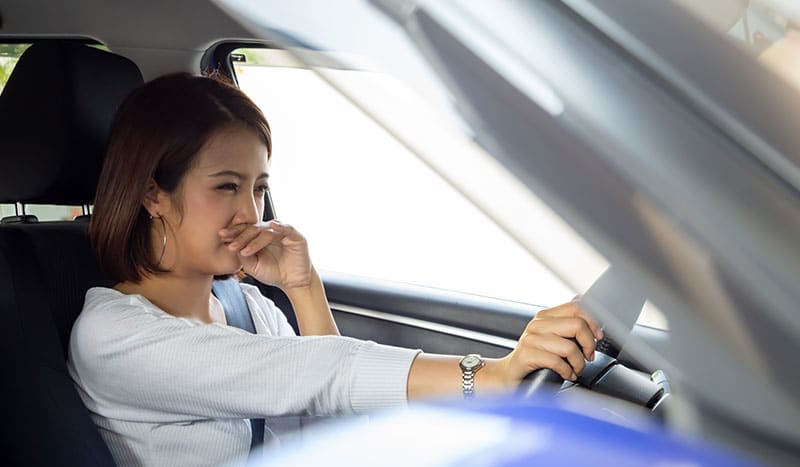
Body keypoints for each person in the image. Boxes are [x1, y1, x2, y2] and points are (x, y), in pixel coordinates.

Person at [67, 72, 603, 466]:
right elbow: (324, 375)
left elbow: (333, 435)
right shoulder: (115, 336)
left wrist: (303, 286)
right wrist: (492, 376)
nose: (250, 214)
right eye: (226, 187)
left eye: (258, 189)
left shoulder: (246, 307)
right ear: (152, 195)